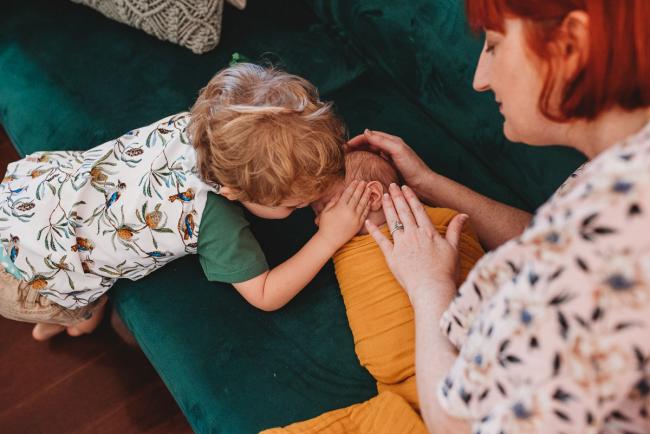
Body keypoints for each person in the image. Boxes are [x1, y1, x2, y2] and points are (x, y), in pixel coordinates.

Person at [349, 1, 650, 433]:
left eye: (493, 45)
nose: (479, 80)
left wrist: (429, 286)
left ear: (571, 43)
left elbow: (457, 422)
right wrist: (430, 183)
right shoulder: (620, 182)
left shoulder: (601, 255)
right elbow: (547, 238)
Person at [0, 63, 370, 341]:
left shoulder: (199, 124)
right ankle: (71, 320)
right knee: (76, 305)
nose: (300, 210)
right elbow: (265, 295)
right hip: (32, 277)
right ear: (232, 193)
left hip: (26, 196)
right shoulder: (213, 219)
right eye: (292, 205)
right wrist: (328, 239)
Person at [264, 151, 485, 433]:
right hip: (401, 396)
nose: (319, 223)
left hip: (463, 377)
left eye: (322, 207)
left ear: (371, 196)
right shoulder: (344, 247)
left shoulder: (442, 225)